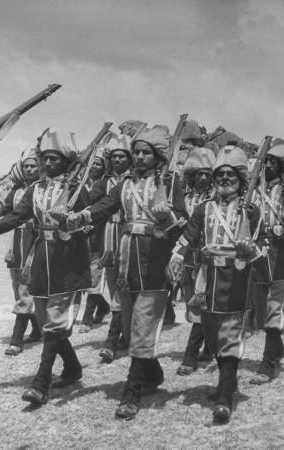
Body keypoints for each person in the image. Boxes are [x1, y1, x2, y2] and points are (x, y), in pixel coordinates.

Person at [67, 126, 187, 420]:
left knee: (144, 327)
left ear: (159, 156)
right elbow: (103, 207)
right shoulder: (124, 185)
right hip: (127, 264)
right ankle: (154, 374)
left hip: (155, 264)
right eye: (137, 151)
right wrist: (78, 217)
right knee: (134, 328)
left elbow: (184, 222)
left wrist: (167, 216)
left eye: (146, 152)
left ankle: (131, 392)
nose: (140, 156)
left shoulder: (170, 183)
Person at [0, 129, 91, 406]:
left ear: (66, 161)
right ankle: (73, 368)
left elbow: (91, 222)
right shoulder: (35, 189)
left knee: (55, 324)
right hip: (42, 258)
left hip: (68, 260)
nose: (47, 163)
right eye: (44, 158)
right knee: (47, 324)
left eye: (53, 158)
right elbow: (17, 215)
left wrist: (71, 221)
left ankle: (40, 382)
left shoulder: (78, 189)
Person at [167, 145, 263, 422]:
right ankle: (227, 382)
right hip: (206, 278)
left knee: (230, 337)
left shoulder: (251, 211)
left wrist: (250, 251)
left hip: (237, 277)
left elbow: (263, 243)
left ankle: (224, 396)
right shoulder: (203, 208)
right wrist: (176, 256)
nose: (224, 178)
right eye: (219, 174)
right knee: (211, 335)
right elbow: (188, 236)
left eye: (230, 174)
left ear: (241, 179)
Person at [249, 139, 284, 383]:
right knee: (260, 313)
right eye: (265, 161)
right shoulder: (252, 190)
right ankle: (277, 348)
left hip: (281, 253)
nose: (268, 166)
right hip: (258, 253)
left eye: (273, 162)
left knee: (274, 310)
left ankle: (268, 363)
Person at [0, 148, 42, 355]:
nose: (29, 169)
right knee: (17, 288)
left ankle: (17, 339)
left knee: (25, 290)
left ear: (39, 168)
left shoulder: (42, 189)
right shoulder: (18, 190)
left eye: (33, 166)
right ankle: (37, 330)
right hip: (16, 242)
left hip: (33, 241)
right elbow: (3, 209)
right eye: (26, 166)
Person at [87, 135, 133, 363]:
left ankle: (120, 336)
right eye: (114, 156)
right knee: (116, 286)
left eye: (122, 156)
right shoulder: (103, 183)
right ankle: (115, 337)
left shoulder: (136, 181)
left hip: (130, 237)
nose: (117, 160)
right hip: (108, 239)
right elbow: (92, 204)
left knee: (127, 287)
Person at [175, 147, 216, 375]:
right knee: (193, 304)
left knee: (203, 303)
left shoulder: (216, 200)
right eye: (198, 174)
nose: (202, 178)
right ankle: (209, 346)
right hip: (188, 257)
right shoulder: (183, 197)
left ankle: (190, 354)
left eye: (207, 174)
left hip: (208, 259)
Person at [80, 145, 111, 333]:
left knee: (94, 275)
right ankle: (103, 305)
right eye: (92, 163)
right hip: (80, 235)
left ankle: (86, 318)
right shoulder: (81, 183)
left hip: (98, 232)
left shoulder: (105, 185)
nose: (94, 167)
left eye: (98, 164)